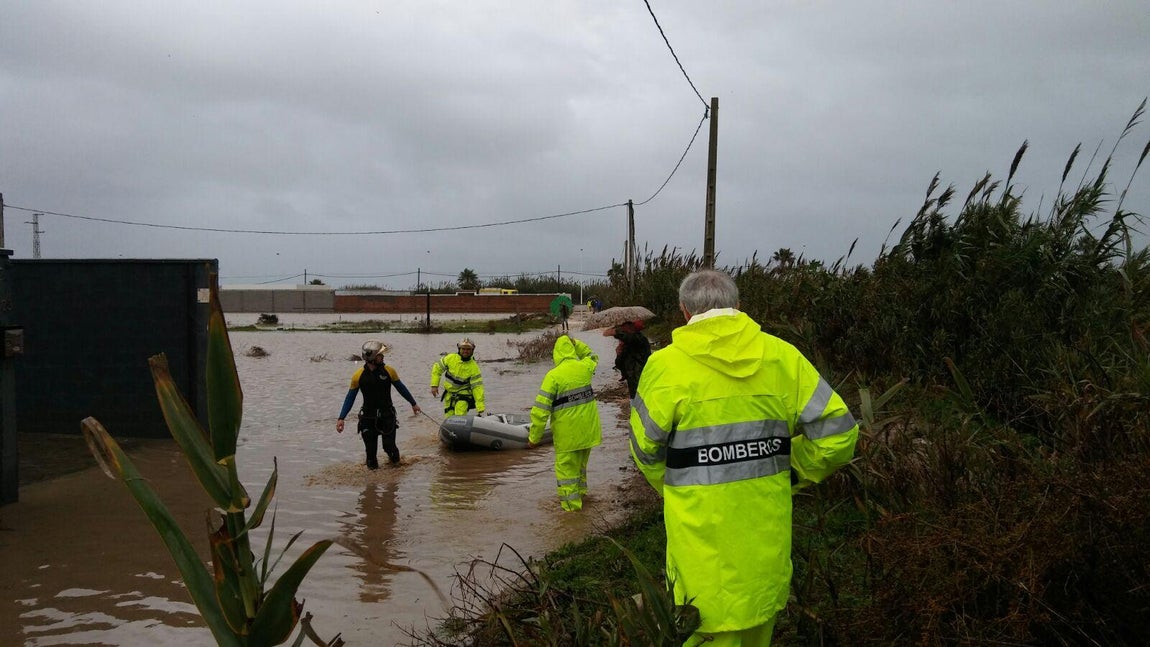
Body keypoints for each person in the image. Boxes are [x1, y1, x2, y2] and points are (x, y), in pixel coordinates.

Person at [628, 269, 858, 646]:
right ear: (738, 306)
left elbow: (644, 451)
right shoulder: (782, 356)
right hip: (763, 556)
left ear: (684, 311)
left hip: (700, 556)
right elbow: (839, 434)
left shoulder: (664, 367)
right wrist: (790, 471)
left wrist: (676, 490)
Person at [526, 334, 602, 512]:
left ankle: (572, 513)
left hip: (568, 436)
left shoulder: (553, 376)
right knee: (580, 469)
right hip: (589, 433)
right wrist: (578, 344)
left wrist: (534, 438)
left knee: (567, 474)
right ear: (571, 349)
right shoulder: (584, 368)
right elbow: (592, 356)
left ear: (556, 353)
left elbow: (540, 411)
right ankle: (582, 497)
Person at [336, 340, 421, 469]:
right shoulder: (358, 376)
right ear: (372, 357)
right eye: (380, 355)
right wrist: (341, 418)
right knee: (370, 457)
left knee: (389, 448)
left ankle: (395, 478)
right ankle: (372, 486)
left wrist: (413, 404)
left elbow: (401, 388)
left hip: (387, 416)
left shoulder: (389, 371)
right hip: (367, 418)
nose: (383, 357)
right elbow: (350, 397)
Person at [430, 337, 486, 416]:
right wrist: (434, 385)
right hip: (449, 395)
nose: (465, 351)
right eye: (463, 349)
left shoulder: (474, 368)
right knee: (449, 418)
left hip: (464, 395)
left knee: (459, 416)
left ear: (472, 350)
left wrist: (480, 406)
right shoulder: (450, 358)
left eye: (468, 349)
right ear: (459, 348)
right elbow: (437, 369)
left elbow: (477, 387)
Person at [607, 319, 651, 399]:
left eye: (625, 329)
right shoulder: (627, 343)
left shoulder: (639, 338)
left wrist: (616, 332)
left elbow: (630, 338)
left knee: (641, 398)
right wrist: (619, 354)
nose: (624, 331)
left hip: (641, 374)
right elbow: (619, 364)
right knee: (635, 399)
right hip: (631, 376)